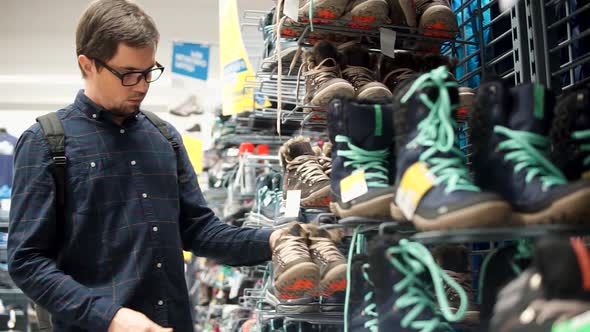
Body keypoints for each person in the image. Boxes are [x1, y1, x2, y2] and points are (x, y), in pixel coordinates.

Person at [7, 1, 283, 331]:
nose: (142, 85)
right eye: (128, 74)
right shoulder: (46, 141)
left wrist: (272, 241)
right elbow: (27, 261)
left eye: (149, 71)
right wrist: (109, 318)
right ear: (88, 64)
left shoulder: (163, 137)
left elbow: (199, 230)